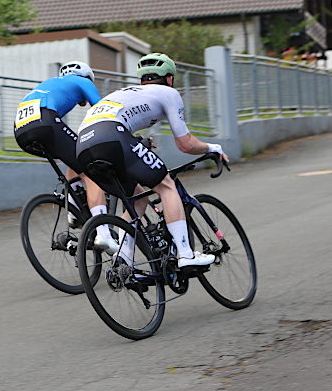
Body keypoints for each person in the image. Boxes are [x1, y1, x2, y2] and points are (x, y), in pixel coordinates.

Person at [76, 52, 227, 269]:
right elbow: (185, 144)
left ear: (141, 81)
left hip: (83, 145)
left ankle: (124, 262)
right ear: (170, 79)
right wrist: (212, 148)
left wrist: (138, 142)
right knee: (166, 186)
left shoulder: (123, 92)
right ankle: (186, 255)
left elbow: (115, 123)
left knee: (137, 197)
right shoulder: (168, 92)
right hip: (112, 136)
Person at [13, 62, 113, 248]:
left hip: (20, 131)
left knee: (74, 159)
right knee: (91, 170)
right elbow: (102, 113)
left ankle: (73, 212)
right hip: (44, 121)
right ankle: (104, 234)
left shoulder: (50, 83)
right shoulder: (82, 81)